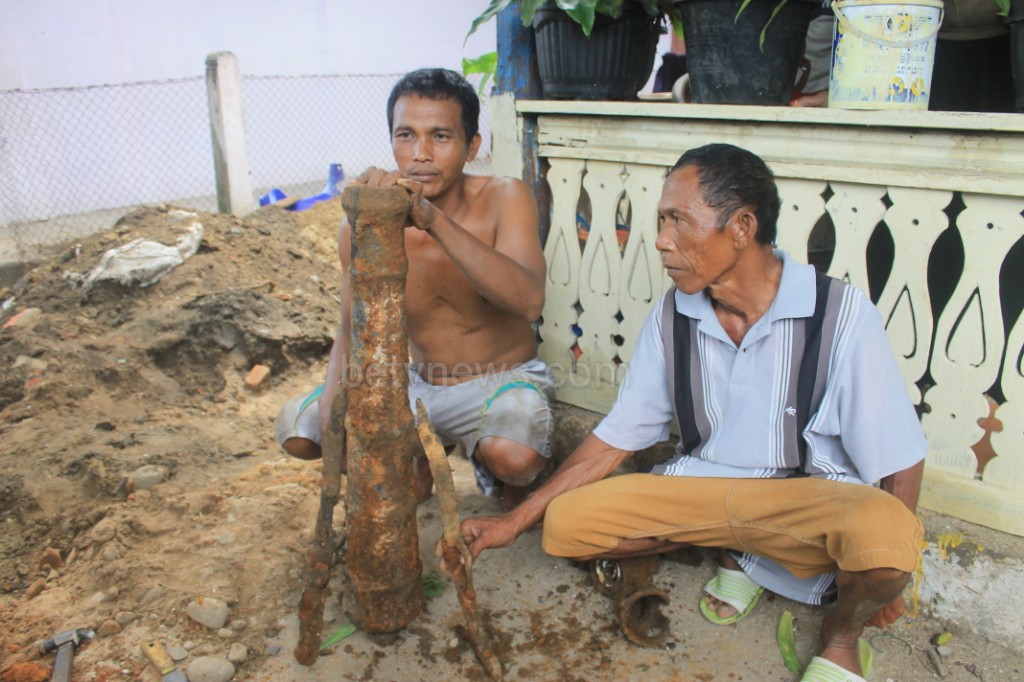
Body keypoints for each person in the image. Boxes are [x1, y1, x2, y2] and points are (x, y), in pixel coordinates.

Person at [458, 143, 926, 681]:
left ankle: (839, 636)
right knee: (566, 524)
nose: (661, 241)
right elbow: (620, 435)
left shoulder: (841, 314)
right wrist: (514, 521)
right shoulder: (673, 313)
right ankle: (740, 553)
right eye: (661, 221)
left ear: (742, 227)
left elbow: (899, 452)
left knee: (887, 539)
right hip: (700, 492)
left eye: (678, 221)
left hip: (800, 500)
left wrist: (896, 568)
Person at [275, 68, 554, 506]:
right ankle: (418, 461)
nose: (420, 154)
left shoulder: (505, 197)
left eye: (440, 136)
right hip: (415, 384)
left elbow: (529, 303)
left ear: (471, 146)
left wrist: (432, 220)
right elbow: (351, 330)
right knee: (301, 428)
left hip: (499, 382)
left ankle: (483, 457)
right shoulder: (363, 223)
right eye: (406, 135)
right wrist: (336, 420)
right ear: (391, 141)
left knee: (514, 457)